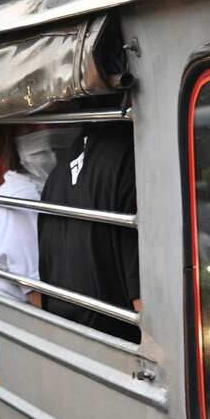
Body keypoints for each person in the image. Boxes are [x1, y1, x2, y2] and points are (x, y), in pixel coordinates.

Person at [38, 122, 140, 341]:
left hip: (66, 337)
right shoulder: (135, 156)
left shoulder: (57, 174)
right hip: (120, 345)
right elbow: (144, 302)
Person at [0, 124, 74, 304]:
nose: (46, 135)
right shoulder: (21, 199)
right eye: (30, 128)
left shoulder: (55, 185)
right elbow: (44, 301)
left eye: (58, 118)